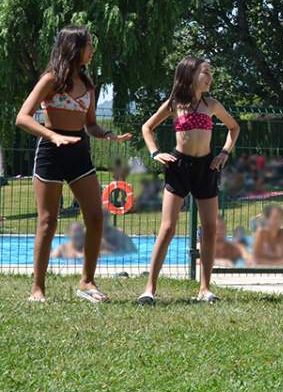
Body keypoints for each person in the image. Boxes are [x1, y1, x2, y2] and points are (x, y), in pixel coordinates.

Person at [15, 25, 132, 303]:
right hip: (50, 153)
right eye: (89, 44)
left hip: (79, 152)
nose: (92, 50)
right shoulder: (51, 79)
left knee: (95, 217)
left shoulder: (88, 85)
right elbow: (23, 117)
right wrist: (53, 135)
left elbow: (89, 124)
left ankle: (87, 282)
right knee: (48, 221)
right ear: (74, 47)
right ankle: (37, 289)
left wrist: (106, 134)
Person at [138, 56, 240, 305]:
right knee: (168, 227)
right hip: (178, 166)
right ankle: (149, 288)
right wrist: (155, 152)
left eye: (210, 72)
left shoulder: (212, 104)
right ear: (190, 75)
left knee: (210, 227)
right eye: (205, 72)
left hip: (207, 167)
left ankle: (205, 288)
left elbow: (234, 128)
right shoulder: (175, 104)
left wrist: (224, 153)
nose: (210, 77)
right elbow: (147, 127)